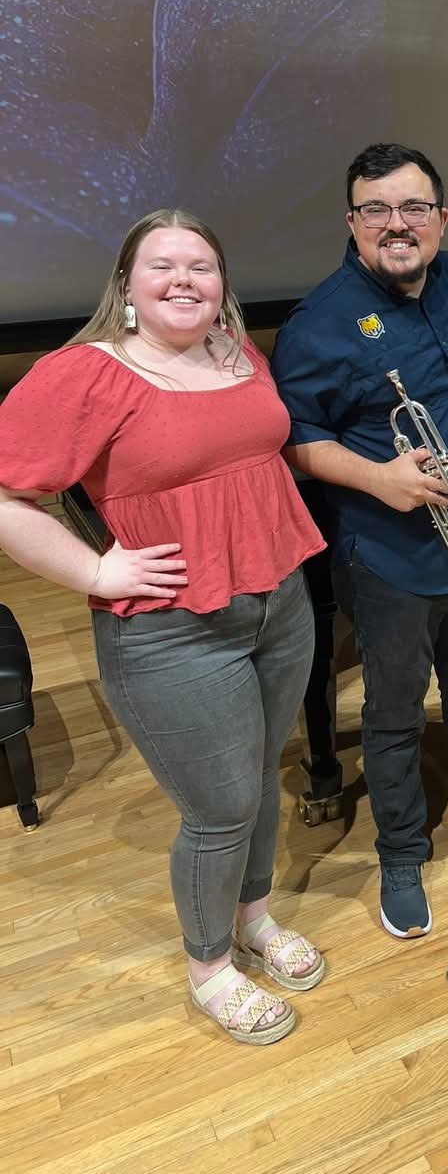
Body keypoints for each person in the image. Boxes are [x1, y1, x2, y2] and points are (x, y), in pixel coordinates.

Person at [0, 210, 326, 1046]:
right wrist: (97, 570)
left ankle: (254, 917)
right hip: (172, 631)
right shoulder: (84, 374)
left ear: (223, 285)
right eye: (163, 266)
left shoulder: (238, 352)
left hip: (279, 604)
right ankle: (210, 965)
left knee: (258, 778)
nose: (185, 279)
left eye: (203, 266)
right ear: (125, 287)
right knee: (218, 809)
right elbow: (6, 497)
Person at [271, 142, 448, 940]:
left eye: (414, 209)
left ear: (440, 218)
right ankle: (401, 850)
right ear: (353, 221)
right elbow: (293, 435)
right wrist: (376, 477)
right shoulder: (320, 321)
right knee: (395, 715)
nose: (398, 225)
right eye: (378, 209)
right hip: (393, 555)